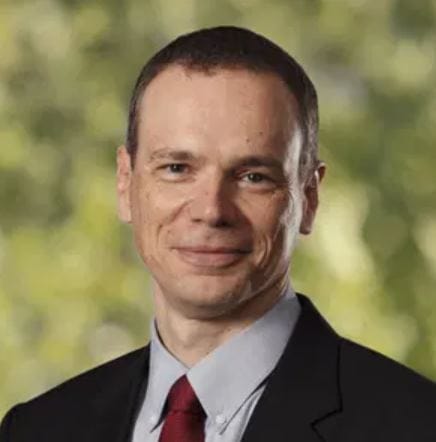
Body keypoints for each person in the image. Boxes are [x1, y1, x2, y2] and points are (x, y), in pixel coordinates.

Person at [1, 26, 435, 442]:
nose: (211, 210)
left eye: (253, 176)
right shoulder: (36, 430)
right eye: (176, 168)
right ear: (125, 183)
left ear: (308, 197)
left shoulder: (417, 427)